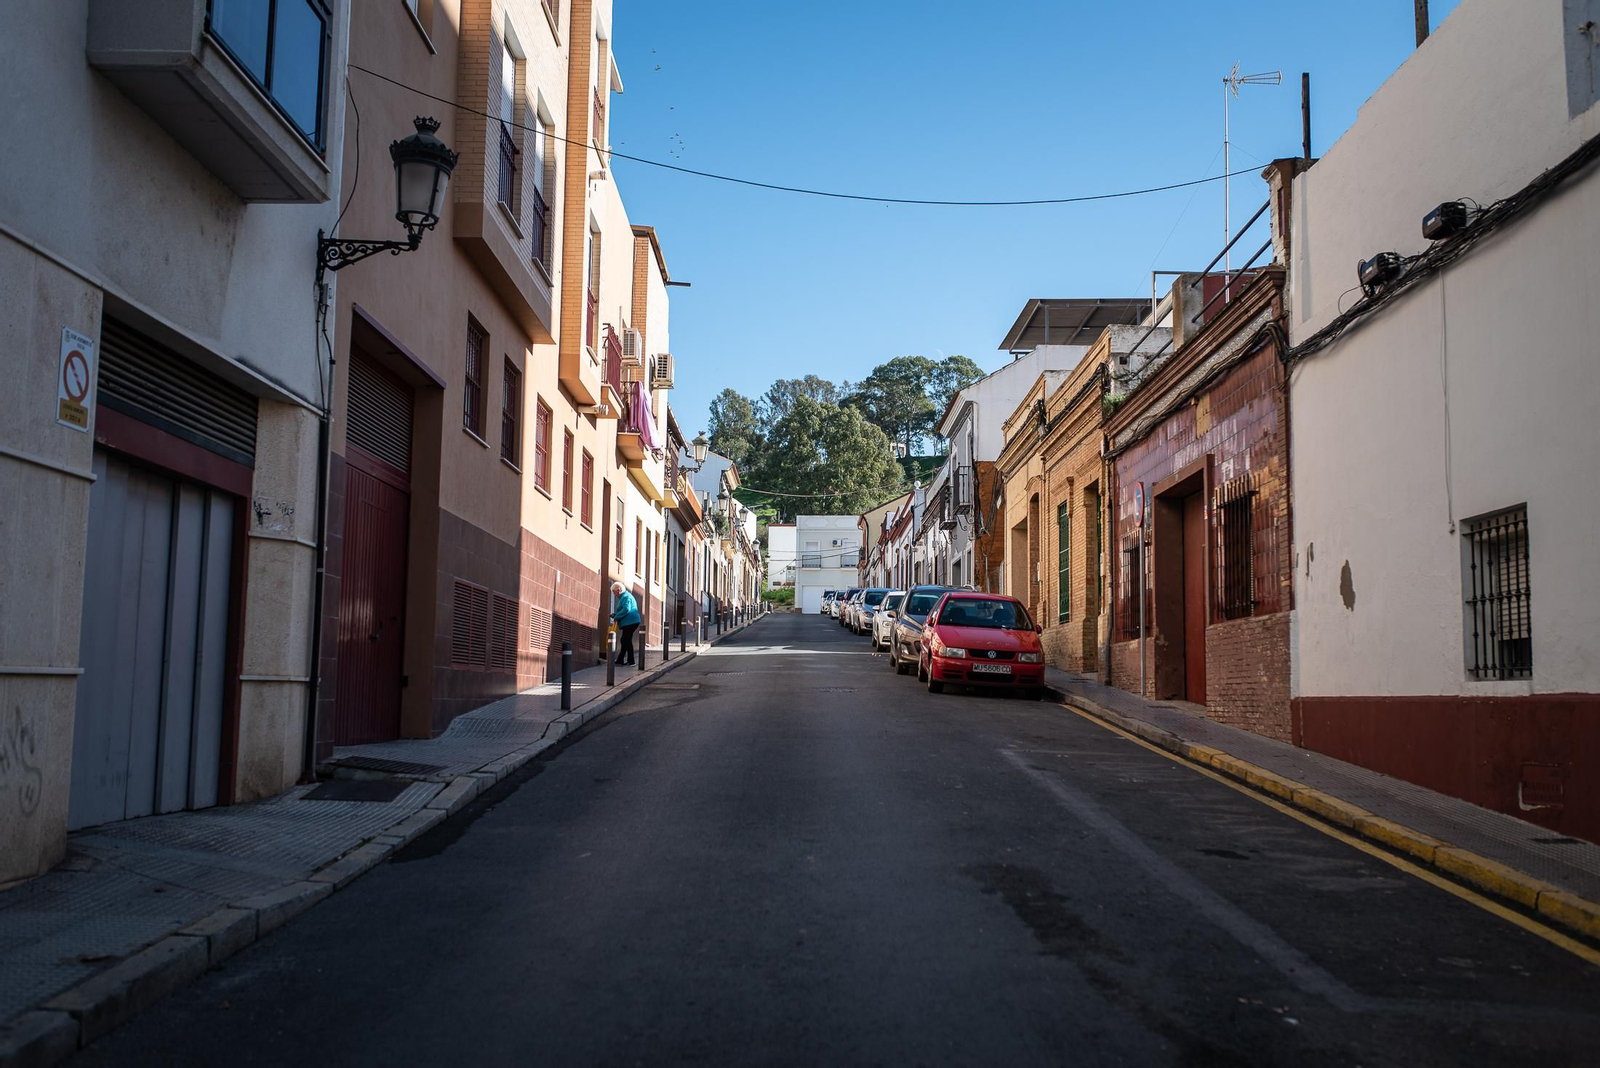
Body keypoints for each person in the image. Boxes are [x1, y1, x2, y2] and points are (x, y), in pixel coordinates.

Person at [610, 580, 642, 667]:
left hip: (630, 622)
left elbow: (626, 609)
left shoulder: (625, 597)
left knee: (626, 640)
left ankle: (631, 661)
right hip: (631, 621)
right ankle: (621, 659)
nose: (614, 594)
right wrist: (616, 615)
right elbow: (625, 610)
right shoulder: (624, 596)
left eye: (614, 591)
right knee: (624, 640)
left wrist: (616, 617)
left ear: (619, 590)